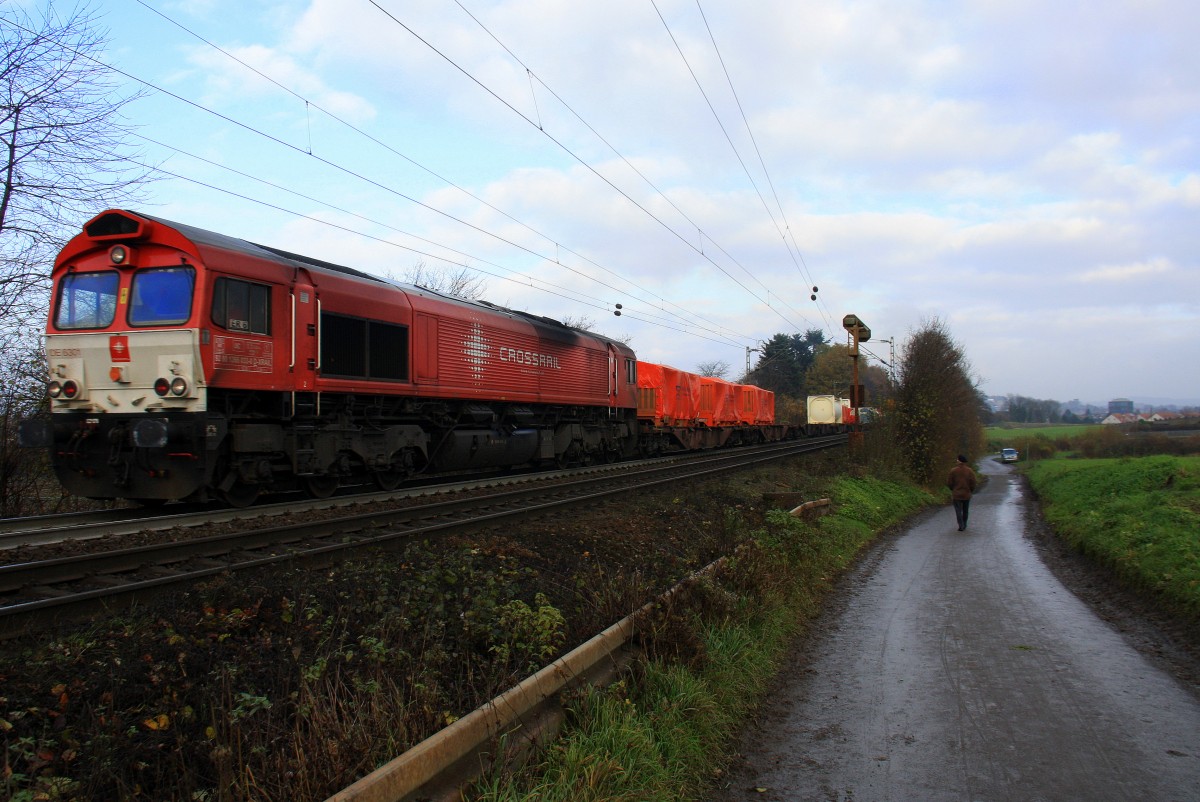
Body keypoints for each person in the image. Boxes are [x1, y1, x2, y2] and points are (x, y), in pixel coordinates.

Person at [946, 455, 978, 531]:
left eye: (957, 460)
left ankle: (961, 525)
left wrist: (953, 489)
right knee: (965, 510)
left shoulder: (953, 471)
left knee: (958, 511)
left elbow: (949, 483)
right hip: (966, 494)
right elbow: (973, 482)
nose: (956, 461)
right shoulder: (969, 471)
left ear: (959, 461)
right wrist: (970, 490)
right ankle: (964, 523)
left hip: (957, 494)